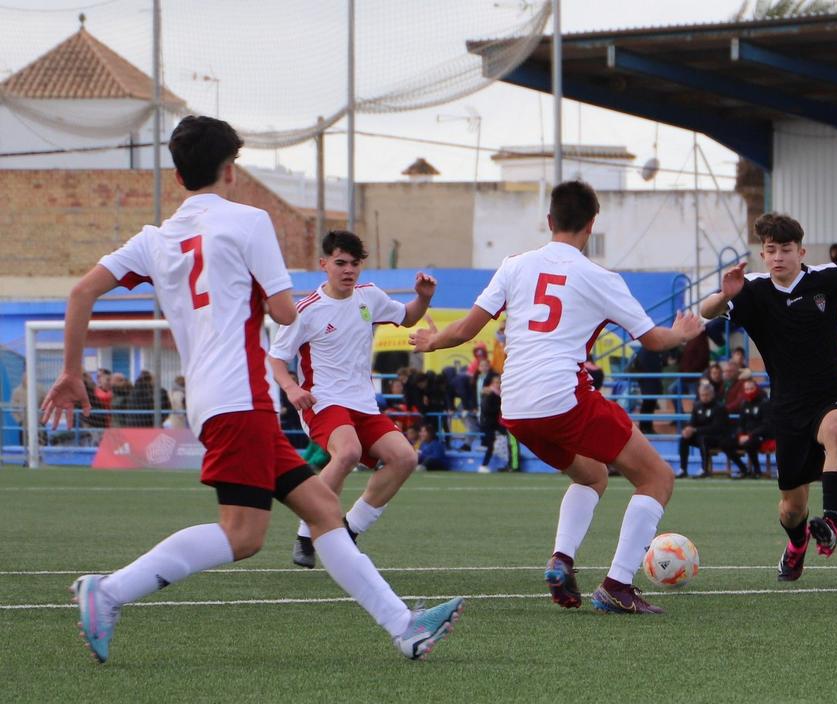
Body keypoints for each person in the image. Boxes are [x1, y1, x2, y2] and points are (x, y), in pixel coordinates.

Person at [43, 116, 461, 665]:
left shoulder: (154, 239)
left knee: (323, 509)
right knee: (243, 535)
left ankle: (405, 627)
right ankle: (110, 591)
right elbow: (285, 311)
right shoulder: (248, 221)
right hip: (240, 396)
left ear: (178, 175)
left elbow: (81, 292)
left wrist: (71, 372)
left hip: (213, 400)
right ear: (231, 170)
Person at [410, 179, 703, 614]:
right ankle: (617, 585)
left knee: (592, 476)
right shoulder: (601, 278)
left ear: (549, 221)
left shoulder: (514, 265)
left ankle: (561, 560)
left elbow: (466, 329)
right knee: (657, 478)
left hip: (515, 405)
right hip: (562, 397)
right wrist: (681, 333)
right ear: (592, 225)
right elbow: (654, 340)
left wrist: (431, 341)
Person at [701, 212, 837, 581]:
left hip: (829, 395)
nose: (778, 256)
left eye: (786, 249)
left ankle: (831, 522)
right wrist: (724, 295)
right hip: (786, 409)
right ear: (763, 254)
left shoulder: (824, 278)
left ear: (801, 251)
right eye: (771, 250)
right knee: (791, 509)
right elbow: (705, 311)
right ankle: (797, 544)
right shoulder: (751, 289)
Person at [269, 230, 437, 570]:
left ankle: (350, 529)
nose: (348, 270)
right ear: (324, 264)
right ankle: (306, 533)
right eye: (340, 263)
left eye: (355, 264)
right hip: (323, 401)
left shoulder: (369, 296)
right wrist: (291, 388)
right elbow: (276, 358)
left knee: (405, 458)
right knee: (347, 453)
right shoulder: (306, 310)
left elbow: (408, 316)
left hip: (364, 403)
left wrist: (423, 298)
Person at [676, 382, 746, 479]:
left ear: (712, 395)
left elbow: (716, 428)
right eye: (702, 395)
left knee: (703, 439)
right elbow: (692, 423)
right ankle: (683, 469)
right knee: (684, 439)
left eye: (707, 395)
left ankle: (704, 469)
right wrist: (687, 430)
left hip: (719, 437)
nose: (704, 397)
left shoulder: (719, 407)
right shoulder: (697, 406)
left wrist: (695, 430)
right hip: (701, 435)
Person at [736, 375, 770, 477]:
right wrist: (740, 435)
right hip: (746, 436)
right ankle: (743, 469)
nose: (749, 391)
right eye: (747, 389)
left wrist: (750, 435)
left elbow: (766, 425)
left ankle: (757, 470)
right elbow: (740, 423)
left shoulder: (764, 403)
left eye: (751, 388)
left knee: (749, 444)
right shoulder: (744, 404)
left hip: (761, 436)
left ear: (756, 389)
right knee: (726, 443)